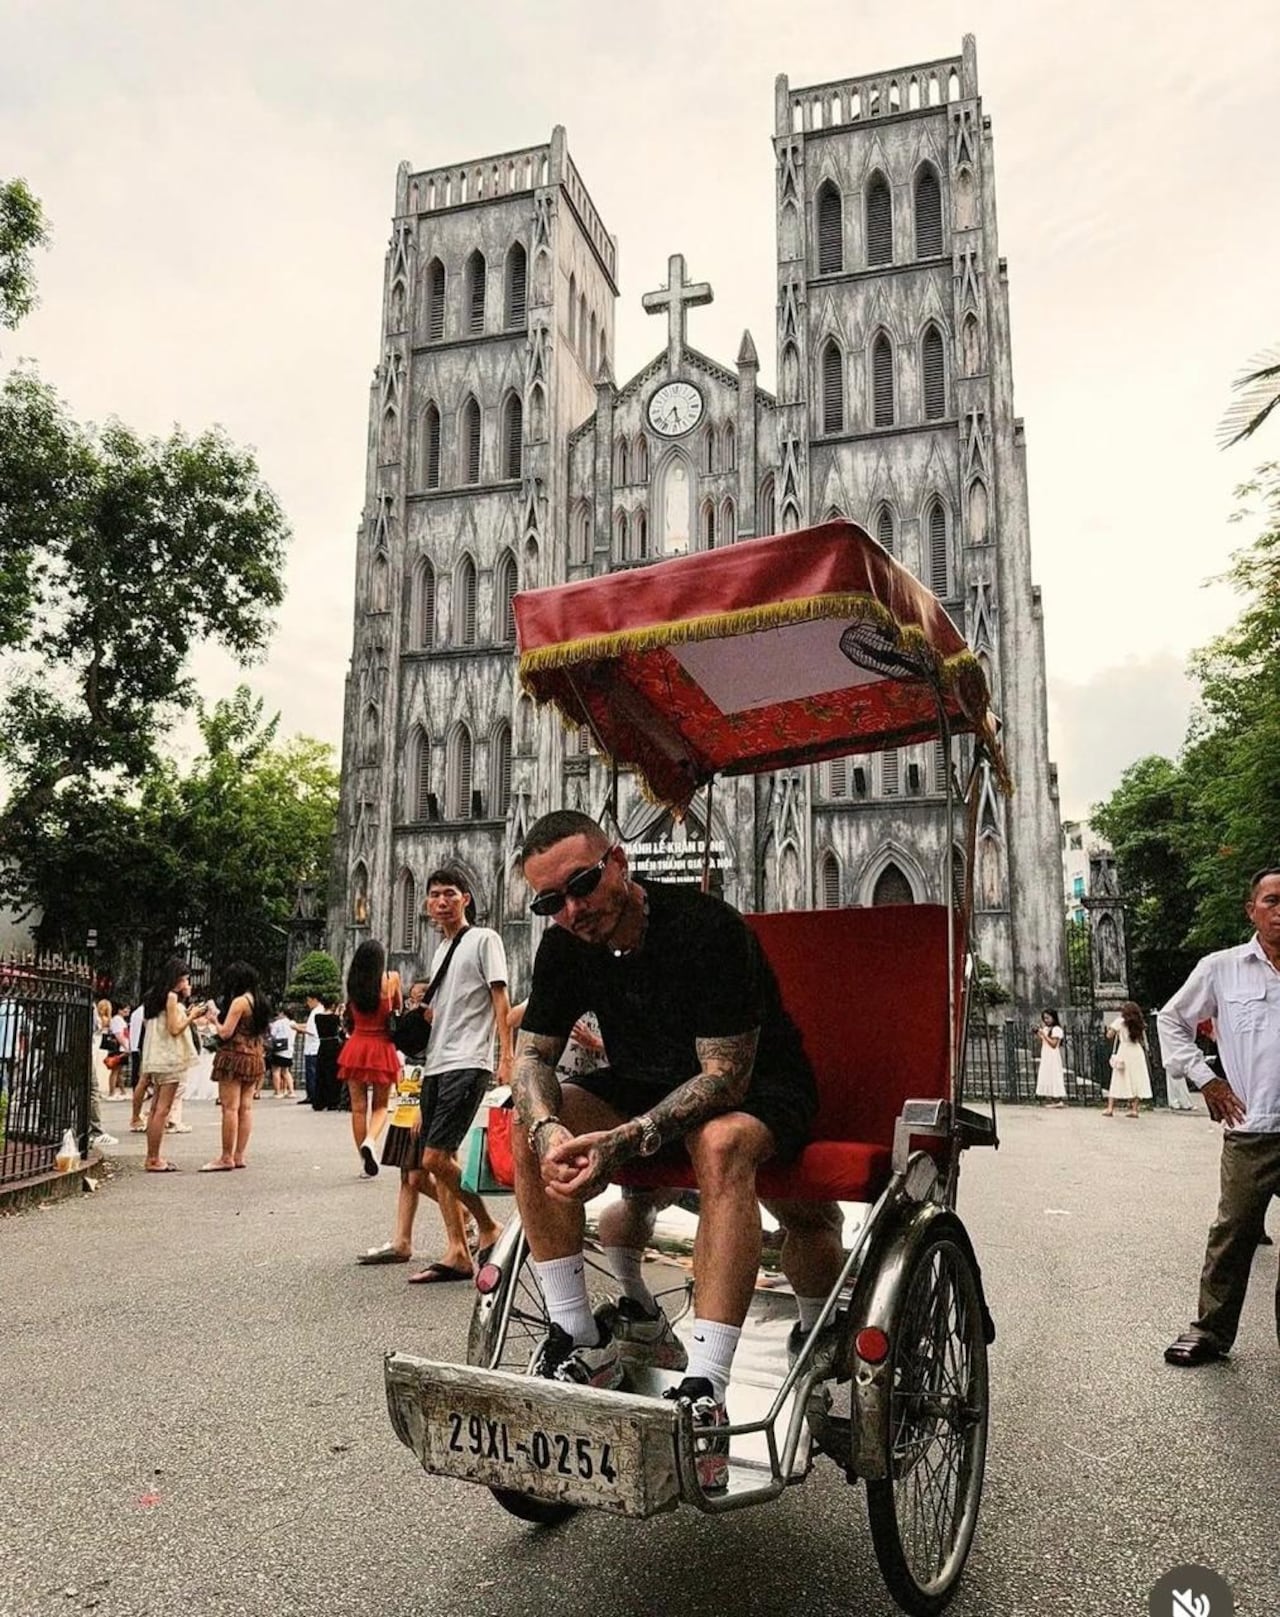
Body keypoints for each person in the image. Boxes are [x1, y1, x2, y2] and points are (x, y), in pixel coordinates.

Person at [511, 811, 844, 1491]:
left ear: (620, 862)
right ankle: (582, 1336)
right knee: (525, 1117)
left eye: (582, 884)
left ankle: (705, 1387)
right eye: (552, 901)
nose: (573, 909)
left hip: (757, 1086)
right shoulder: (565, 946)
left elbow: (725, 1077)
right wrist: (549, 1128)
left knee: (720, 1143)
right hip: (643, 1086)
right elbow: (531, 1056)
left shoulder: (705, 927)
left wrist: (629, 1140)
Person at [358, 868, 509, 1280]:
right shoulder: (441, 951)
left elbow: (499, 996)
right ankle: (457, 1251)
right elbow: (443, 1015)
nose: (441, 901)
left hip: (469, 1061)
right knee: (432, 1163)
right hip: (436, 1065)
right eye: (434, 895)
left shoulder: (484, 939)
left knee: (434, 1158)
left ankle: (490, 1224)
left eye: (450, 894)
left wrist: (505, 1055)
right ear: (426, 905)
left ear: (466, 899)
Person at [1159, 867, 1280, 1365]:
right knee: (1232, 1232)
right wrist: (1206, 1079)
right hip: (1252, 1129)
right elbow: (1172, 1019)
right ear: (1251, 910)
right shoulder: (1222, 968)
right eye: (1271, 900)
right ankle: (1209, 1331)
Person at [337, 940, 401, 1175]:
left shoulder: (354, 984)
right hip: (381, 1046)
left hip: (356, 1047)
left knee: (358, 1108)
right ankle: (371, 1141)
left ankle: (364, 1163)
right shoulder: (390, 979)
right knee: (381, 1105)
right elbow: (397, 1009)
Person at [201, 962, 270, 1171]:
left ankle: (225, 1157)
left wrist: (213, 1018)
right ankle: (239, 1155)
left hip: (234, 1056)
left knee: (230, 1108)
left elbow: (225, 1033)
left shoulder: (240, 1002)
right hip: (255, 1055)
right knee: (246, 1108)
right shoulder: (261, 1001)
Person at [139, 957, 202, 1172]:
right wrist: (192, 1015)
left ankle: (152, 1155)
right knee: (162, 1110)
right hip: (170, 1057)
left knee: (156, 1107)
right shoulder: (172, 997)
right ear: (176, 979)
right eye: (184, 979)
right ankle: (153, 1158)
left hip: (156, 1057)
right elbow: (175, 1029)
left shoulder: (153, 997)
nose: (187, 984)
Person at [1103, 1001, 1151, 1118]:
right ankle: (1134, 1109)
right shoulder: (1139, 1023)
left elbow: (1109, 1035)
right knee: (1136, 1079)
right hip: (1136, 1052)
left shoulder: (1120, 1021)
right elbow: (1143, 1041)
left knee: (1117, 1078)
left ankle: (1110, 1108)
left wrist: (1111, 1028)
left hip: (1124, 1050)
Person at [293, 993, 328, 1106]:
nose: (307, 1003)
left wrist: (297, 1028)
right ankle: (311, 1094)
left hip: (314, 1047)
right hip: (311, 1047)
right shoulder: (316, 1011)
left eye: (309, 1000)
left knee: (312, 1072)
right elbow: (309, 1027)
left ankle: (313, 1095)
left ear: (315, 999)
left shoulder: (317, 1012)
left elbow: (312, 1031)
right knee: (310, 1072)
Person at [1033, 1008, 1066, 1107]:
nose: (1046, 1020)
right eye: (1044, 1018)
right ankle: (1051, 1098)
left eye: (1048, 1018)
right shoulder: (1046, 1029)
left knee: (1054, 1075)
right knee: (1047, 1075)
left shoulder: (1057, 1029)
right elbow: (1042, 1041)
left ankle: (1058, 1099)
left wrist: (1044, 1034)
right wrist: (1038, 1033)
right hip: (1046, 1056)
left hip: (1053, 1056)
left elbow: (1053, 1044)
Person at [267, 1009, 295, 1097]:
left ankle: (278, 1092)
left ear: (283, 1013)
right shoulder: (292, 1023)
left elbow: (272, 1034)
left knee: (276, 1070)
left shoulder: (278, 1023)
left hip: (279, 1049)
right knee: (286, 1071)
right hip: (289, 1049)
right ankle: (291, 1091)